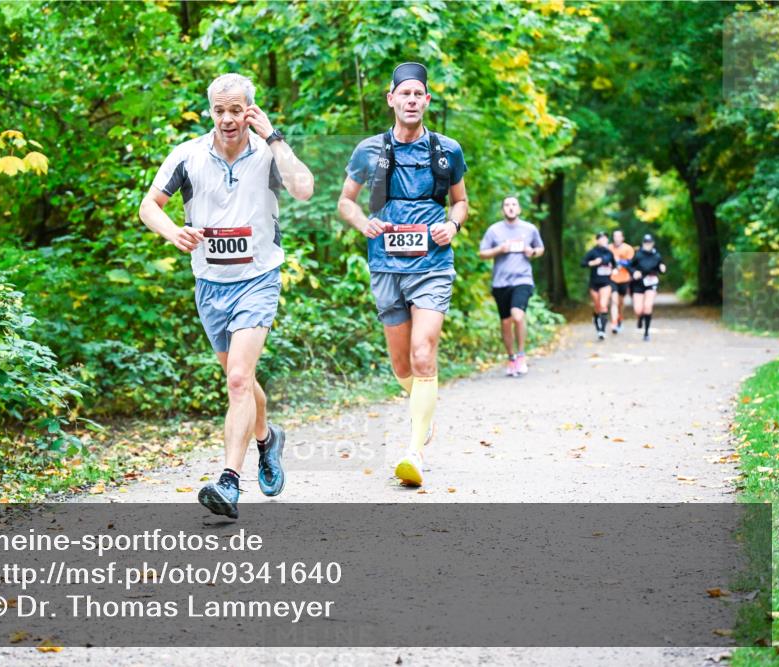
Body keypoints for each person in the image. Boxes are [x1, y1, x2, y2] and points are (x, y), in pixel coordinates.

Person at [138, 73, 314, 518]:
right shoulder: (188, 156)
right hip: (210, 284)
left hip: (258, 278)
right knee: (242, 380)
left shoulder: (268, 154)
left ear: (249, 110)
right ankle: (267, 439)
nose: (228, 118)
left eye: (236, 109)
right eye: (220, 110)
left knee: (237, 379)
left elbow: (304, 188)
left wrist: (272, 135)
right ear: (211, 111)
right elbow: (147, 206)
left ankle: (229, 482)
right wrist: (172, 231)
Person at [337, 62, 468, 487]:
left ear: (427, 101)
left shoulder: (447, 150)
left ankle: (414, 451)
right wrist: (363, 224)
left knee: (423, 354)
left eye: (419, 94)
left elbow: (461, 202)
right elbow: (346, 203)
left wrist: (453, 225)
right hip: (385, 265)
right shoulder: (368, 151)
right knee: (400, 364)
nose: (411, 101)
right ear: (391, 99)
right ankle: (423, 411)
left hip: (432, 265)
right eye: (404, 94)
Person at [478, 196, 544, 376]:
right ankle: (511, 358)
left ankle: (521, 354)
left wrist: (533, 252)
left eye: (514, 204)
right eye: (507, 205)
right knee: (506, 322)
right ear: (502, 210)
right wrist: (499, 249)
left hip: (522, 279)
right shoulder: (494, 231)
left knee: (517, 315)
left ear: (519, 209)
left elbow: (540, 248)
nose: (510, 208)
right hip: (501, 283)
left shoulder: (529, 229)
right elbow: (482, 253)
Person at [630, 233, 667, 342]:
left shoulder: (657, 255)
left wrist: (662, 268)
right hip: (639, 283)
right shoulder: (638, 254)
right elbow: (630, 266)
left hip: (651, 283)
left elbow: (661, 267)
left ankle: (646, 333)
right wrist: (634, 272)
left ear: (653, 244)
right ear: (643, 244)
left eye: (649, 243)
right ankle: (640, 317)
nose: (648, 245)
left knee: (647, 306)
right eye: (646, 243)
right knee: (638, 309)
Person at [581, 232, 616, 340]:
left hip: (606, 282)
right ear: (597, 241)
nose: (603, 241)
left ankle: (602, 331)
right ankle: (597, 323)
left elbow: (615, 265)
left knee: (603, 305)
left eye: (605, 239)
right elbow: (582, 263)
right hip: (594, 283)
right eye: (601, 239)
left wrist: (614, 270)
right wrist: (592, 263)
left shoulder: (609, 253)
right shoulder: (592, 252)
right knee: (597, 306)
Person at [609, 229, 634, 334]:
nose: (617, 238)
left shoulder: (628, 248)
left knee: (620, 302)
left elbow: (630, 263)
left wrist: (619, 261)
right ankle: (614, 323)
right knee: (614, 301)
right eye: (615, 236)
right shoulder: (608, 248)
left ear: (622, 238)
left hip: (624, 278)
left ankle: (620, 316)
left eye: (619, 236)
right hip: (611, 278)